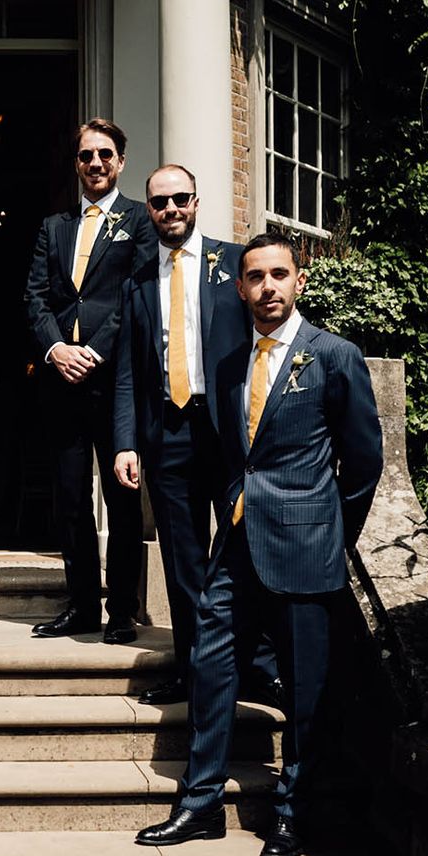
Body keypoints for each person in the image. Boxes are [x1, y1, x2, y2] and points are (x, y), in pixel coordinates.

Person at [135, 233, 383, 856]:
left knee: (303, 690)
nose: (267, 287)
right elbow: (230, 455)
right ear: (240, 287)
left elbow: (364, 464)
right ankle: (200, 804)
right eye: (255, 277)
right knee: (210, 665)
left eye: (279, 274)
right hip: (237, 543)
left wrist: (329, 535)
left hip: (305, 548)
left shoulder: (333, 355)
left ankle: (293, 815)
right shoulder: (228, 364)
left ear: (298, 280)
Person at [113, 165, 279, 706]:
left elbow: (271, 338)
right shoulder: (137, 280)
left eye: (180, 199)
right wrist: (125, 441)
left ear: (196, 201)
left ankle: (257, 665)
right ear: (150, 210)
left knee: (247, 552)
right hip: (168, 433)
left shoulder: (235, 263)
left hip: (230, 431)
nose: (171, 210)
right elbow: (127, 372)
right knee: (184, 563)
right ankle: (191, 672)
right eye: (160, 203)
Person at [24, 118, 155, 644]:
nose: (95, 163)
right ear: (75, 164)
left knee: (122, 500)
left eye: (105, 155)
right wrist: (57, 348)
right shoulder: (53, 227)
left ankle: (121, 609)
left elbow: (136, 294)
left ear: (120, 162)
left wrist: (94, 351)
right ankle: (81, 606)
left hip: (114, 381)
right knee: (71, 499)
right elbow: (34, 297)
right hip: (61, 382)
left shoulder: (140, 222)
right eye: (85, 156)